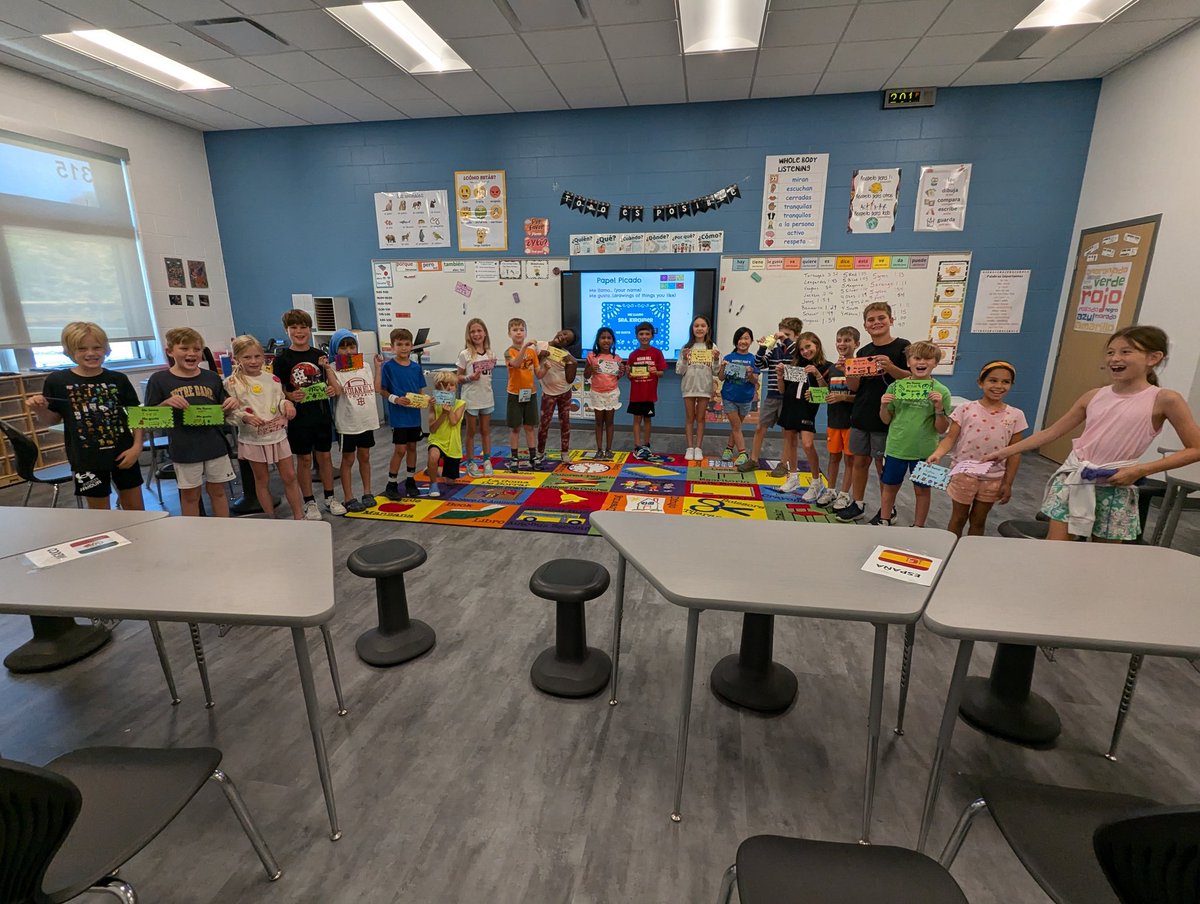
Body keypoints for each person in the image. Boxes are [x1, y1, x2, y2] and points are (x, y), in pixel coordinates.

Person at [986, 325, 1200, 542]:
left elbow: (1195, 449)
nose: (1114, 358)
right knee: (1054, 553)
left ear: (1153, 358)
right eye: (1110, 352)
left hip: (1116, 485)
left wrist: (1140, 470)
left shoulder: (1165, 399)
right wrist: (1003, 452)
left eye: (1125, 352)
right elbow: (1052, 432)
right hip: (1074, 480)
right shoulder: (1094, 396)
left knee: (1100, 561)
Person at [26, 321, 144, 511]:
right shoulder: (57, 381)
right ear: (70, 351)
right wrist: (39, 409)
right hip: (86, 459)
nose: (91, 353)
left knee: (136, 510)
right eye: (82, 349)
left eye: (97, 347)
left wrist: (137, 447)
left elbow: (136, 414)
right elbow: (52, 420)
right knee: (99, 514)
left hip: (124, 453)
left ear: (105, 349)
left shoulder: (118, 379)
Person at [144, 327, 239, 516]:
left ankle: (226, 531)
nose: (191, 353)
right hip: (184, 447)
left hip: (214, 444)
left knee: (219, 492)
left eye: (196, 349)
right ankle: (193, 536)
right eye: (184, 348)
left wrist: (231, 403)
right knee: (190, 496)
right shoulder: (159, 380)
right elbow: (149, 419)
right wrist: (165, 404)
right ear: (170, 351)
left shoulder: (211, 377)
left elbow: (225, 408)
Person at [927, 361, 1026, 536]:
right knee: (958, 518)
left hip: (993, 477)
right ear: (981, 383)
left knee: (979, 521)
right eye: (993, 380)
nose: (999, 386)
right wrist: (937, 454)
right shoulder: (966, 409)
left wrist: (1008, 482)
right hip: (964, 474)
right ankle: (951, 551)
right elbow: (950, 438)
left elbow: (1015, 452)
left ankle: (970, 554)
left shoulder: (1016, 415)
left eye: (1005, 382)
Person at [837, 303, 910, 523]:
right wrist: (847, 370)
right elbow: (855, 387)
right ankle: (857, 503)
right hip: (861, 414)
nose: (876, 322)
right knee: (860, 462)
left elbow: (912, 379)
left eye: (881, 318)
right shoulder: (864, 352)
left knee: (882, 466)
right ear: (865, 325)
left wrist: (891, 368)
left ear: (891, 320)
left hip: (887, 418)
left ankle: (889, 509)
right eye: (871, 320)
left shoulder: (903, 347)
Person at [223, 334, 304, 519]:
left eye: (257, 356)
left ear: (264, 357)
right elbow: (228, 414)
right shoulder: (231, 384)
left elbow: (280, 400)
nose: (253, 361)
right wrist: (244, 417)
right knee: (261, 480)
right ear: (237, 359)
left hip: (277, 436)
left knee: (290, 476)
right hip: (253, 440)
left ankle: (300, 517)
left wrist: (287, 405)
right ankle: (271, 519)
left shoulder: (272, 379)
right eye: (247, 357)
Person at [876, 341, 952, 527]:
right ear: (908, 362)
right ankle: (884, 519)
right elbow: (885, 420)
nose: (922, 362)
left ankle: (918, 526)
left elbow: (942, 429)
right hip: (896, 447)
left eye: (928, 358)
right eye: (917, 358)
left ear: (935, 363)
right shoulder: (895, 387)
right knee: (890, 487)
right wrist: (884, 405)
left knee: (922, 490)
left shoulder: (942, 391)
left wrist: (940, 409)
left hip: (926, 452)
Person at [274, 309, 337, 519]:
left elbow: (329, 383)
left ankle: (330, 497)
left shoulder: (319, 355)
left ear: (310, 330)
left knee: (325, 456)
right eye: (294, 327)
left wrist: (329, 389)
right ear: (287, 330)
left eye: (303, 327)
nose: (299, 332)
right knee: (304, 459)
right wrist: (290, 395)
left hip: (321, 413)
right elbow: (278, 389)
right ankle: (309, 502)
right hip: (299, 417)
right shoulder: (282, 358)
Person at [325, 329, 383, 513]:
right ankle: (349, 497)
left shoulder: (364, 366)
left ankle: (367, 492)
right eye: (343, 348)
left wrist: (378, 367)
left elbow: (376, 388)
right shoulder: (333, 368)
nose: (349, 351)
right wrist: (327, 369)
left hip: (366, 419)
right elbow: (339, 391)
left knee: (365, 457)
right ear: (335, 350)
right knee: (348, 459)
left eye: (351, 346)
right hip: (348, 422)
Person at [743, 317, 802, 473]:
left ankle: (783, 463)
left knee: (788, 433)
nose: (782, 337)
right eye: (781, 334)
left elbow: (796, 353)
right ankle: (754, 460)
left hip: (789, 397)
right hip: (772, 395)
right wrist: (763, 348)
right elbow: (759, 364)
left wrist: (785, 340)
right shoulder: (775, 350)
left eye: (787, 335)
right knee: (760, 427)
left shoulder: (797, 351)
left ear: (796, 336)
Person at [777, 331, 831, 495]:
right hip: (789, 407)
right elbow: (782, 390)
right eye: (802, 349)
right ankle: (793, 477)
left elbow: (826, 392)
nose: (805, 351)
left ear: (817, 345)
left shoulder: (826, 366)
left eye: (808, 347)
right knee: (790, 442)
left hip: (806, 410)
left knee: (808, 444)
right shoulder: (795, 366)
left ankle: (816, 481)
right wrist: (780, 376)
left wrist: (816, 373)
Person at [379, 327, 425, 499]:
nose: (404, 348)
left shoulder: (415, 367)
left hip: (414, 416)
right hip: (399, 417)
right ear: (393, 346)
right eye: (399, 344)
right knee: (400, 450)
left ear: (411, 345)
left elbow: (420, 391)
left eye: (407, 344)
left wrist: (425, 400)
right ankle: (391, 483)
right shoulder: (388, 367)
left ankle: (410, 480)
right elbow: (382, 390)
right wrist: (395, 399)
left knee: (413, 447)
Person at [455, 318, 496, 477]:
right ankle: (471, 462)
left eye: (479, 330)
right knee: (471, 431)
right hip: (471, 399)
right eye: (472, 331)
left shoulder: (491, 353)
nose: (476, 334)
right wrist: (469, 377)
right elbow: (457, 377)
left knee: (485, 430)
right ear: (468, 335)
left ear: (485, 333)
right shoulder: (465, 354)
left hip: (487, 397)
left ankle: (487, 460)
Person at [825, 326, 859, 511]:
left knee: (850, 460)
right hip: (834, 420)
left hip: (852, 422)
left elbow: (862, 397)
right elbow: (828, 391)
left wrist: (843, 397)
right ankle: (830, 490)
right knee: (833, 457)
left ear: (856, 344)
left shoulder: (860, 367)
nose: (842, 344)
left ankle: (845, 494)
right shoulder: (832, 367)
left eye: (847, 340)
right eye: (839, 340)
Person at [677, 315, 719, 461]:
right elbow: (679, 371)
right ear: (692, 328)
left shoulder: (712, 347)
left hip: (704, 388)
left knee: (701, 418)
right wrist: (683, 358)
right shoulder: (686, 347)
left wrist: (715, 359)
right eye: (696, 326)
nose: (699, 328)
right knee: (690, 418)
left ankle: (698, 447)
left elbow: (715, 371)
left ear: (708, 329)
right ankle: (689, 447)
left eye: (703, 325)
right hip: (689, 387)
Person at [536, 328, 578, 463]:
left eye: (567, 340)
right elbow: (530, 364)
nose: (563, 338)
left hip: (565, 392)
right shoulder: (541, 345)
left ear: (567, 345)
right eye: (564, 334)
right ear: (559, 331)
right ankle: (540, 451)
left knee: (565, 423)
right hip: (548, 393)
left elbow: (570, 379)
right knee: (544, 423)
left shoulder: (566, 355)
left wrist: (574, 363)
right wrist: (540, 356)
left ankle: (565, 452)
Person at [626, 321, 667, 458]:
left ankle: (646, 445)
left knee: (648, 420)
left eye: (647, 334)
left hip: (649, 394)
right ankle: (637, 446)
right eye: (641, 334)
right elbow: (629, 376)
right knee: (636, 420)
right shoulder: (632, 355)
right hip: (636, 395)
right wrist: (629, 373)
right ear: (637, 336)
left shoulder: (657, 353)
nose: (644, 336)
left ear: (652, 335)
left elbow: (661, 373)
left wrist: (656, 372)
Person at [504, 317, 540, 471]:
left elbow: (539, 374)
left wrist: (547, 368)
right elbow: (516, 364)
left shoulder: (532, 352)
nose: (518, 332)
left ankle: (533, 456)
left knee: (530, 426)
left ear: (525, 332)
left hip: (530, 393)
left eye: (521, 329)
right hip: (514, 393)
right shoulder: (508, 352)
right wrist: (524, 347)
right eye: (515, 330)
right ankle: (514, 457)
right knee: (515, 427)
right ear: (509, 333)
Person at [719, 326, 758, 467]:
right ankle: (743, 453)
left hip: (746, 398)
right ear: (736, 341)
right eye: (740, 338)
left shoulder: (754, 359)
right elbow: (721, 377)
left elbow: (755, 381)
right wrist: (723, 366)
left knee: (737, 427)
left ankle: (728, 449)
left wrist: (750, 374)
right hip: (729, 396)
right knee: (736, 426)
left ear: (751, 341)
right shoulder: (729, 357)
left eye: (746, 338)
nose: (743, 341)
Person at [425, 371, 466, 498]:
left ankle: (434, 469)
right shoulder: (433, 404)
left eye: (451, 385)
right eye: (444, 385)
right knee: (433, 456)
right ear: (438, 388)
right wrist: (442, 413)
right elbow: (432, 429)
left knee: (450, 481)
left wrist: (448, 411)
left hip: (453, 443)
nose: (448, 388)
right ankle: (433, 484)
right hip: (437, 439)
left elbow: (454, 422)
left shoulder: (461, 404)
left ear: (456, 387)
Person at [585, 326, 623, 458]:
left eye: (609, 338)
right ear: (598, 340)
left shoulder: (617, 358)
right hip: (597, 392)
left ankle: (609, 449)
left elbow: (617, 376)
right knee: (599, 422)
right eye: (603, 338)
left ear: (613, 340)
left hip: (612, 392)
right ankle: (599, 449)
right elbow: (586, 375)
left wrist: (622, 371)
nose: (606, 340)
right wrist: (591, 368)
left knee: (610, 422)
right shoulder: (591, 356)